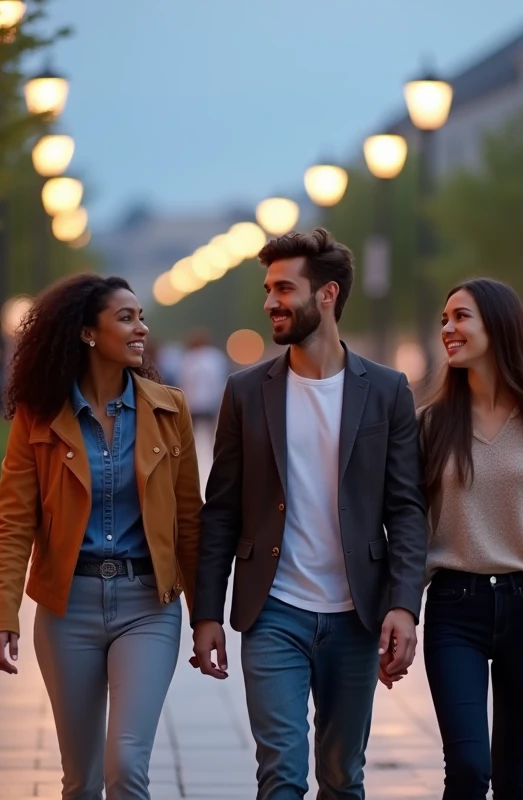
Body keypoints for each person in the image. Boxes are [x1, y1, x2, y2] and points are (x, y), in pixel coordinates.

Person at [190, 228, 430, 800]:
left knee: (344, 779)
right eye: (268, 288)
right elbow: (220, 510)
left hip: (357, 616)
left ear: (326, 294)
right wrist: (206, 614)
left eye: (284, 288)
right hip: (274, 612)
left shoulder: (388, 390)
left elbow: (407, 507)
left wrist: (404, 605)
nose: (271, 301)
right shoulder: (246, 392)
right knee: (281, 776)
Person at [0, 274, 202, 800]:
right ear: (87, 333)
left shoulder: (169, 410)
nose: (141, 328)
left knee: (125, 766)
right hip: (67, 610)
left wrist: (207, 617)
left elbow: (189, 521)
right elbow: (14, 522)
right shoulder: (39, 418)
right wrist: (0, 615)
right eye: (126, 318)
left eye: (141, 317)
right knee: (80, 781)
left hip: (148, 605)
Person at [418, 278, 523, 800]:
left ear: (499, 325)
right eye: (444, 319)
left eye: (461, 317)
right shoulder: (430, 424)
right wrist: (399, 608)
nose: (448, 328)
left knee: (516, 781)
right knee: (468, 770)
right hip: (453, 607)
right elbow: (413, 526)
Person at [177, 327, 230, 431]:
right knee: (212, 431)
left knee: (193, 432)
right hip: (210, 401)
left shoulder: (188, 358)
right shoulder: (215, 356)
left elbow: (184, 381)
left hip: (195, 402)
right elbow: (219, 379)